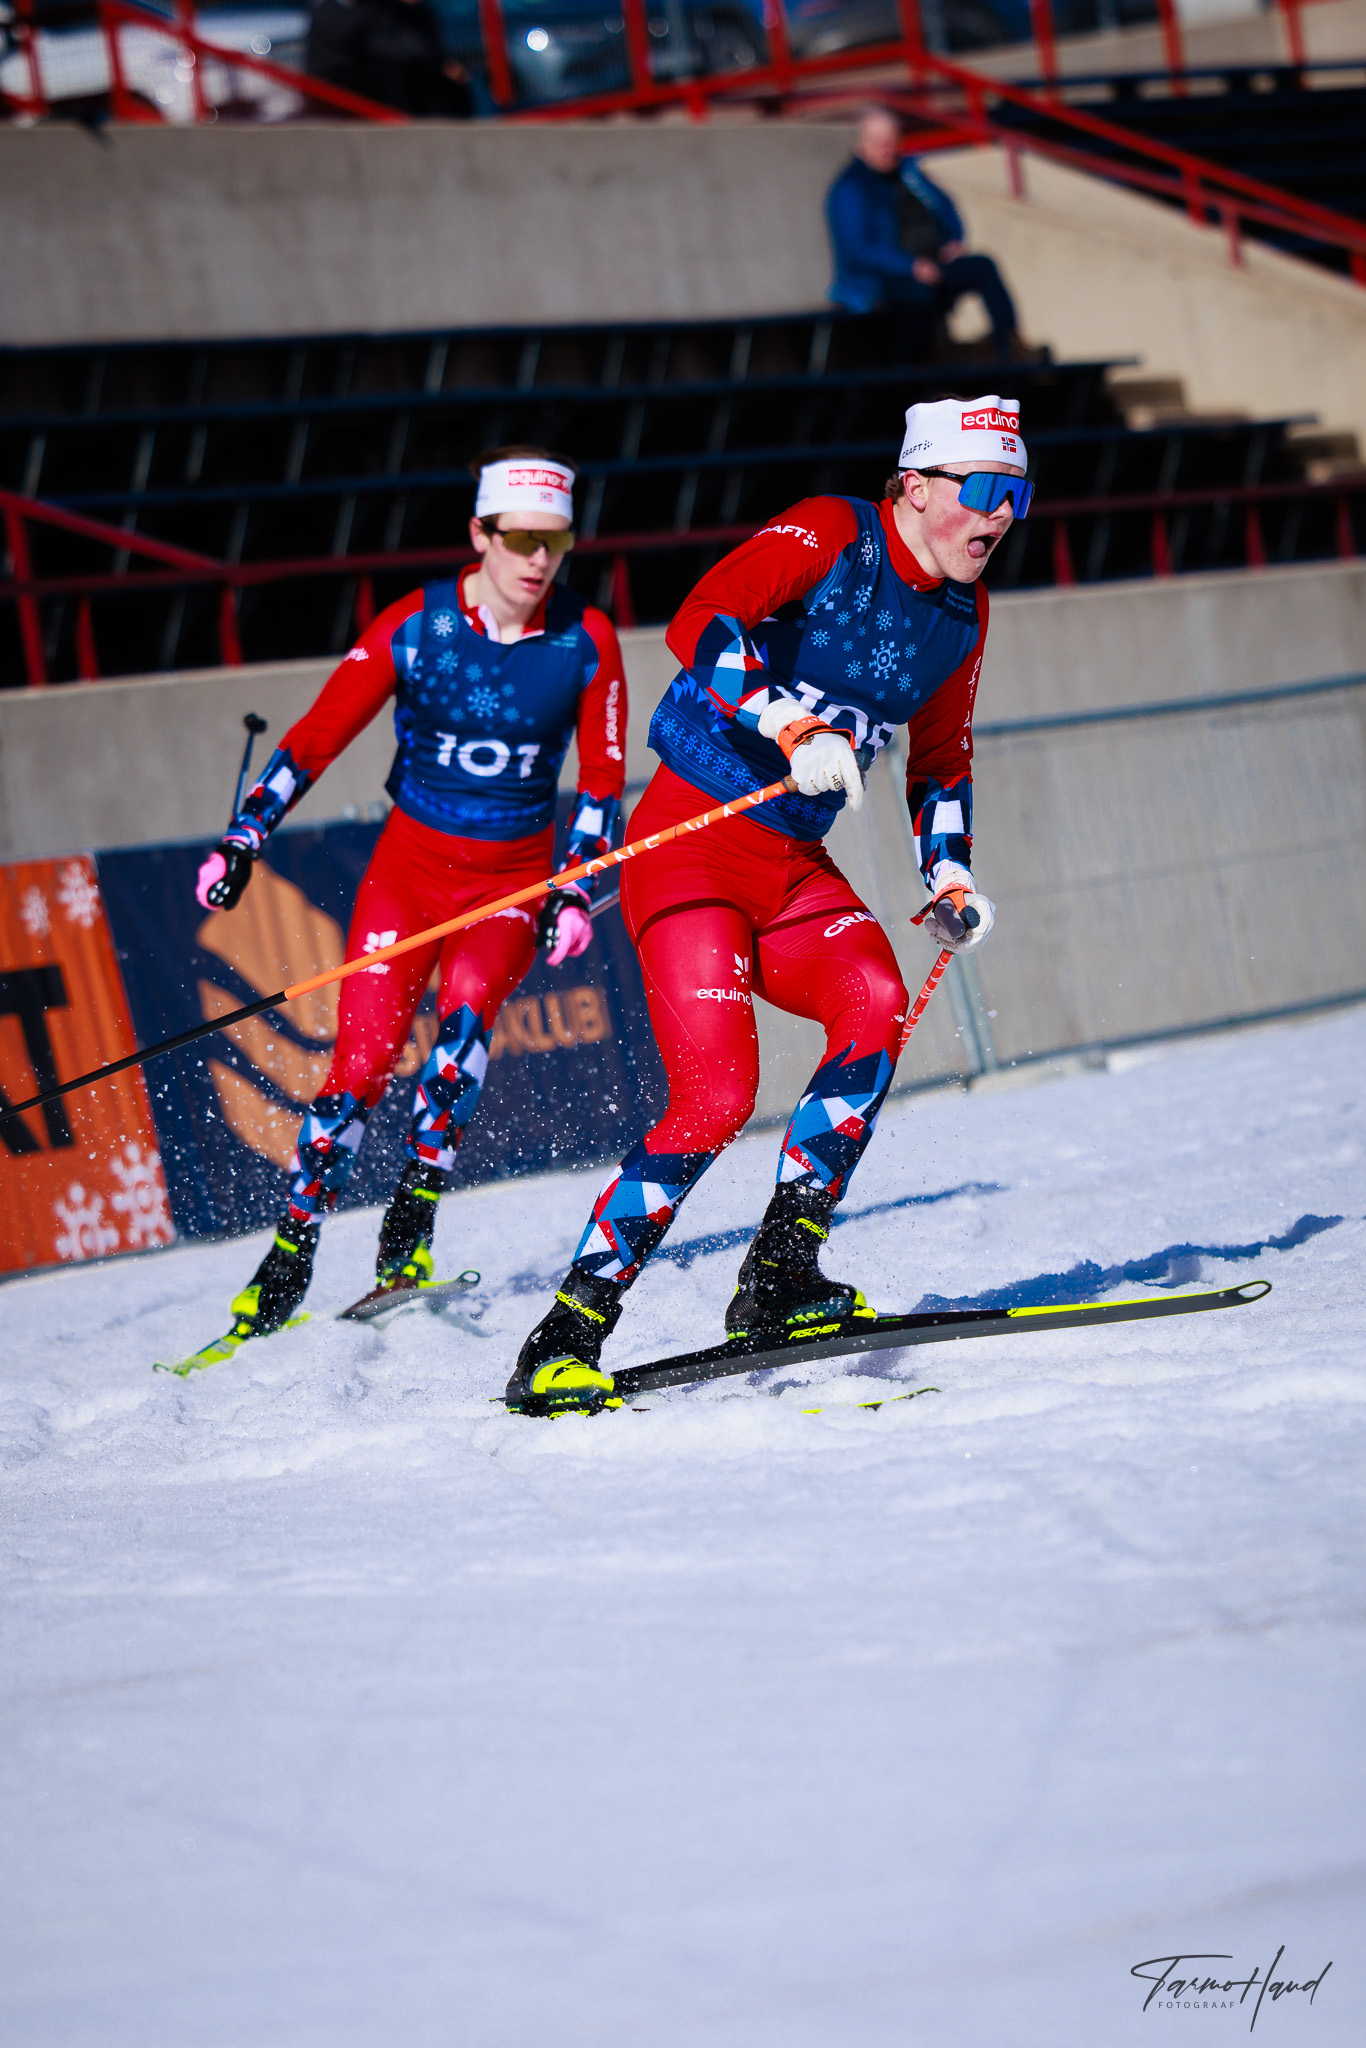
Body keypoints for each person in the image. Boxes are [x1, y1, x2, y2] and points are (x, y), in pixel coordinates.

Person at [506, 394, 1031, 1416]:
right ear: (914, 486)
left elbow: (941, 760)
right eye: (982, 488)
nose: (1001, 513)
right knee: (716, 1098)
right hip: (690, 849)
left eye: (1018, 494)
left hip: (792, 864)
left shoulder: (963, 616)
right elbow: (702, 617)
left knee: (876, 1002)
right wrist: (791, 725)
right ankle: (567, 1330)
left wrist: (950, 874)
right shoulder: (836, 532)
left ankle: (781, 1273)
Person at [196, 446, 626, 1342]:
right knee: (358, 1067)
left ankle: (410, 1229)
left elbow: (601, 778)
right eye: (520, 540)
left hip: (510, 885)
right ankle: (292, 1248)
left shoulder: (586, 638)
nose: (539, 560)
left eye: (555, 541)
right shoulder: (417, 626)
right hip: (409, 876)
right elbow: (317, 736)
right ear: (480, 534)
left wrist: (578, 886)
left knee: (463, 1032)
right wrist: (245, 835)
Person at [827, 107, 1041, 363]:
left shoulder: (910, 174)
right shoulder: (851, 188)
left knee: (983, 266)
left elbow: (945, 207)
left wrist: (954, 240)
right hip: (882, 280)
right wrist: (911, 266)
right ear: (861, 145)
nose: (886, 148)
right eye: (877, 142)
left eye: (890, 140)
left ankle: (1008, 347)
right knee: (920, 297)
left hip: (932, 265)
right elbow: (857, 248)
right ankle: (908, 367)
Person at [306, 0, 474, 118]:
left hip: (403, 79)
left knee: (449, 83)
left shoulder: (416, 11)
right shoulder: (338, 10)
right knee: (397, 75)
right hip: (342, 86)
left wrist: (442, 64)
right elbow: (378, 45)